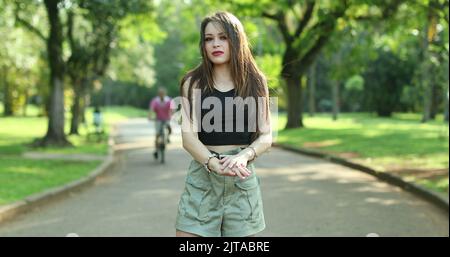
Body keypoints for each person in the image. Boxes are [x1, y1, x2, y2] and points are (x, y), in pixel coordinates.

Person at [175, 11, 272, 237]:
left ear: (236, 39)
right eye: (209, 39)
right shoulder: (192, 82)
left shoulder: (257, 82)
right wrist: (212, 162)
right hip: (202, 179)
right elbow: (187, 137)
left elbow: (267, 136)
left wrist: (243, 156)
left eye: (222, 37)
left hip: (241, 180)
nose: (215, 44)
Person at [149, 87, 174, 159]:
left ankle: (168, 138)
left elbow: (172, 109)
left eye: (162, 94)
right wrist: (150, 116)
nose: (161, 95)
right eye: (160, 94)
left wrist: (172, 114)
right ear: (158, 94)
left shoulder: (168, 100)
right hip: (158, 120)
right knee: (157, 135)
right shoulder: (155, 101)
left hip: (166, 119)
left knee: (169, 129)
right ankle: (156, 150)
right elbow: (151, 109)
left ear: (165, 94)